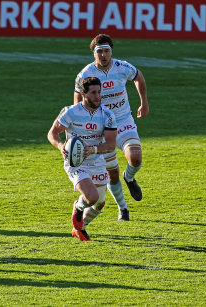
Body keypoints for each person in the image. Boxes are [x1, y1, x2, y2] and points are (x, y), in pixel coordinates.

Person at [74, 34, 149, 221]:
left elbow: (138, 76)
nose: (104, 55)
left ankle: (130, 177)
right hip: (101, 128)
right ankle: (123, 208)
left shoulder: (122, 67)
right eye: (100, 52)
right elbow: (77, 98)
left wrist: (144, 102)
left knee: (135, 157)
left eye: (107, 51)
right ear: (94, 54)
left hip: (123, 120)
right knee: (111, 175)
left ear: (111, 52)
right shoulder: (85, 74)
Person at [48, 77, 117, 241]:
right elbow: (53, 133)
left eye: (99, 92)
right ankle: (78, 208)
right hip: (76, 161)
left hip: (96, 160)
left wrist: (92, 150)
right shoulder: (71, 112)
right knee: (91, 197)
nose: (97, 96)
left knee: (99, 203)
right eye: (93, 93)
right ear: (84, 94)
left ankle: (80, 228)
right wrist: (60, 146)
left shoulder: (107, 115)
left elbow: (111, 145)